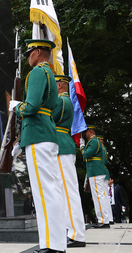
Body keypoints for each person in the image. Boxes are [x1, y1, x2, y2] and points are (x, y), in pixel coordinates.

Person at [10, 39, 66, 253]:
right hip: (45, 133)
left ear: (40, 52)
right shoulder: (49, 74)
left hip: (37, 135)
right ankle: (55, 243)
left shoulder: (37, 73)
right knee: (51, 190)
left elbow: (31, 107)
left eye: (30, 52)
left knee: (44, 192)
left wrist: (17, 107)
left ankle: (52, 245)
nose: (28, 57)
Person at [53, 74, 86, 248]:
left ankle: (77, 234)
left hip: (62, 148)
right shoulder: (66, 101)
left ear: (59, 86)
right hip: (63, 147)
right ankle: (72, 231)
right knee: (65, 191)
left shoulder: (61, 101)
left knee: (68, 192)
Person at [81, 126, 110, 228]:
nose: (85, 134)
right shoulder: (96, 141)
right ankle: (104, 219)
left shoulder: (93, 141)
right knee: (100, 195)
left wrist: (82, 147)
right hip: (97, 170)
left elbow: (87, 154)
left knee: (98, 196)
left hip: (95, 171)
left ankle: (103, 220)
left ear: (90, 131)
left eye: (86, 132)